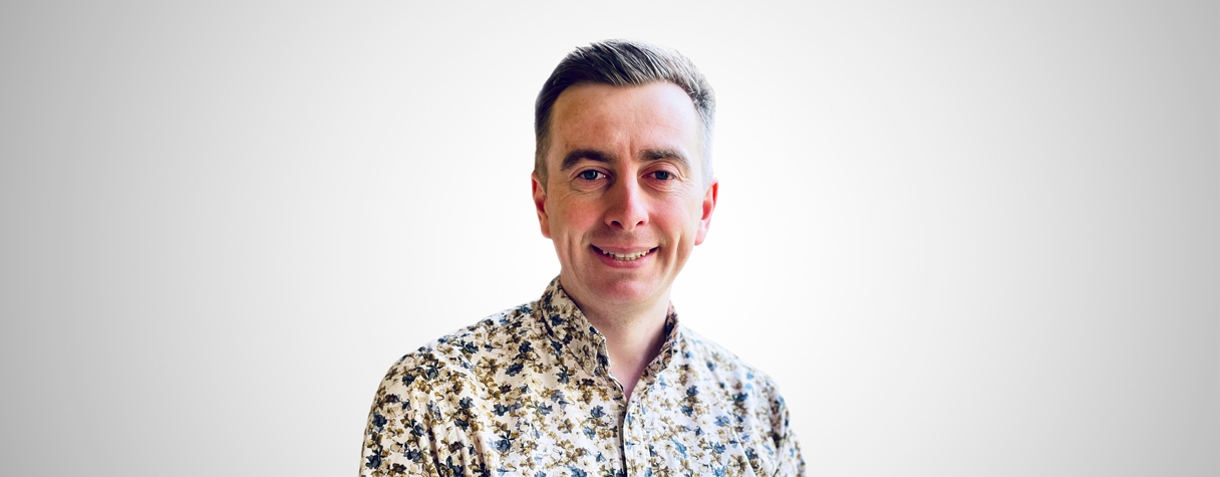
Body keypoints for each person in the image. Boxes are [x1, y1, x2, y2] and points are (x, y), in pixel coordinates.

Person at [360, 40, 805, 477]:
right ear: (543, 203)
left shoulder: (756, 409)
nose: (628, 214)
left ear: (704, 210)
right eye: (591, 174)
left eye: (661, 174)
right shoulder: (434, 396)